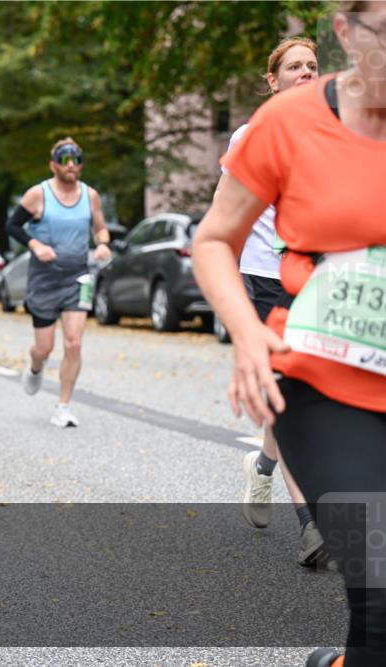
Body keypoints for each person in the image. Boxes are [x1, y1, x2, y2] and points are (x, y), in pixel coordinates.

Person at [193, 3, 385, 666]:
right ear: (346, 32)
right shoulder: (288, 122)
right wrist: (247, 335)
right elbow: (214, 239)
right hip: (321, 380)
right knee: (380, 584)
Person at [213, 37, 329, 568]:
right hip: (263, 280)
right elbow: (223, 217)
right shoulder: (251, 135)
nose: (306, 72)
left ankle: (262, 466)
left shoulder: (333, 135)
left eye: (312, 65)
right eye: (294, 66)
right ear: (273, 80)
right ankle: (311, 525)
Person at [7, 138, 111, 427]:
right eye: (65, 161)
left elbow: (100, 228)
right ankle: (35, 367)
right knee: (44, 348)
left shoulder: (90, 196)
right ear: (53, 165)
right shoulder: (38, 194)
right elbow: (12, 226)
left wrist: (103, 244)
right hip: (44, 279)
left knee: (74, 343)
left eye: (76, 161)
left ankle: (63, 406)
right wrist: (35, 245)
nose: (71, 166)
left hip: (77, 277)